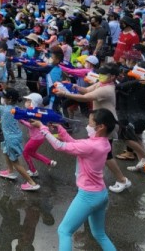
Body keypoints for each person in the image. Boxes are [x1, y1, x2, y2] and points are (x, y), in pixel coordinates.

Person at [30, 109, 118, 251]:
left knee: (64, 231)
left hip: (88, 196)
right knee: (99, 234)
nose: (87, 125)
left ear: (101, 127)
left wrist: (43, 128)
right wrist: (60, 130)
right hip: (101, 194)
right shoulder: (103, 143)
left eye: (90, 123)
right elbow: (76, 144)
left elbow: (60, 146)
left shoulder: (90, 145)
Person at [54, 64, 132, 193]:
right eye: (100, 73)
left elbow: (85, 98)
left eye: (104, 74)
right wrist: (75, 86)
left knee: (106, 155)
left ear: (112, 77)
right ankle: (105, 178)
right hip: (100, 122)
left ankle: (122, 180)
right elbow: (86, 91)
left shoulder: (107, 89)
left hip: (106, 125)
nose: (101, 76)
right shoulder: (101, 84)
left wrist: (65, 94)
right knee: (102, 153)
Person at [0, 88, 40, 191]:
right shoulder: (15, 108)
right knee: (5, 151)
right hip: (13, 136)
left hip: (10, 138)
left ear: (8, 99)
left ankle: (31, 183)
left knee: (15, 162)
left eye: (3, 97)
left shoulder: (2, 109)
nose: (1, 98)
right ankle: (10, 171)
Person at [19, 93, 57, 177]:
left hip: (36, 138)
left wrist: (21, 120)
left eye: (29, 100)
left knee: (25, 153)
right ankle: (49, 162)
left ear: (34, 102)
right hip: (40, 137)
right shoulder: (37, 111)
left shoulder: (35, 113)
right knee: (32, 153)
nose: (26, 102)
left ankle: (33, 171)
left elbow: (32, 125)